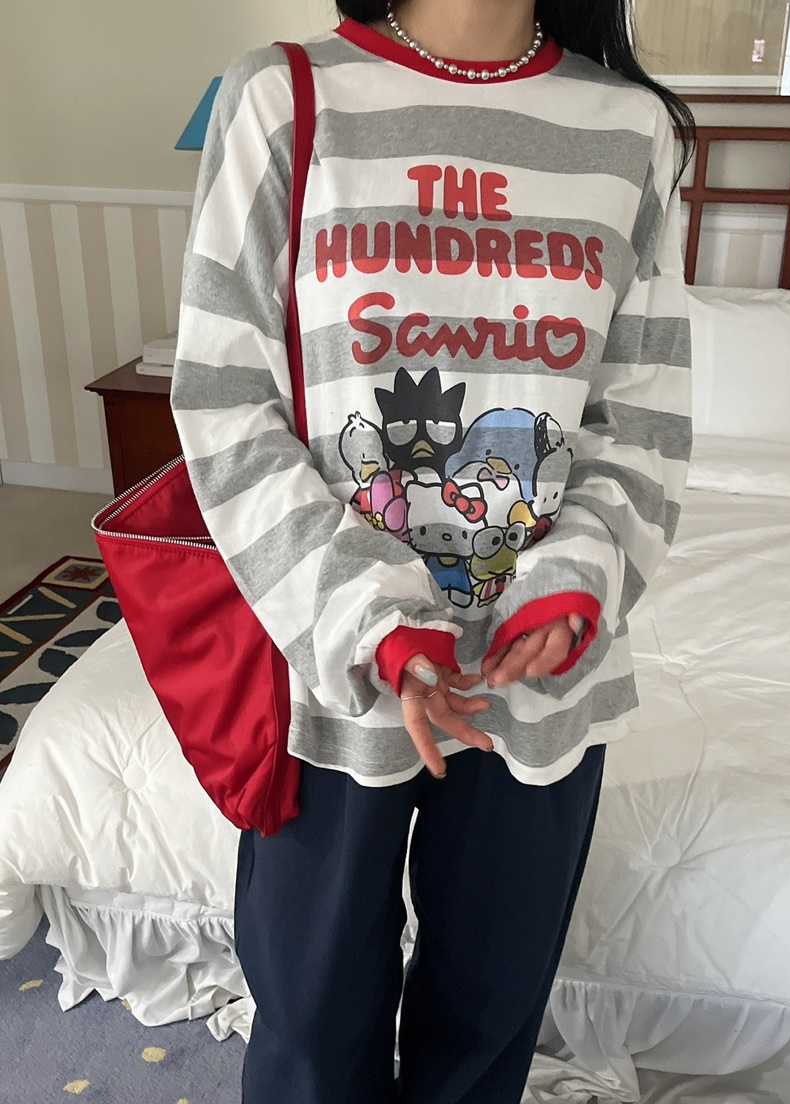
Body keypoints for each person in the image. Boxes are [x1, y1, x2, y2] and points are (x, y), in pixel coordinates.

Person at [169, 1, 695, 1100]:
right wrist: (376, 620)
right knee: (312, 1029)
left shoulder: (632, 130)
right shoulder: (283, 98)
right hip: (337, 665)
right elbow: (225, 401)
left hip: (540, 671)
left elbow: (639, 420)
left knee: (488, 1027)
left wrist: (571, 585)